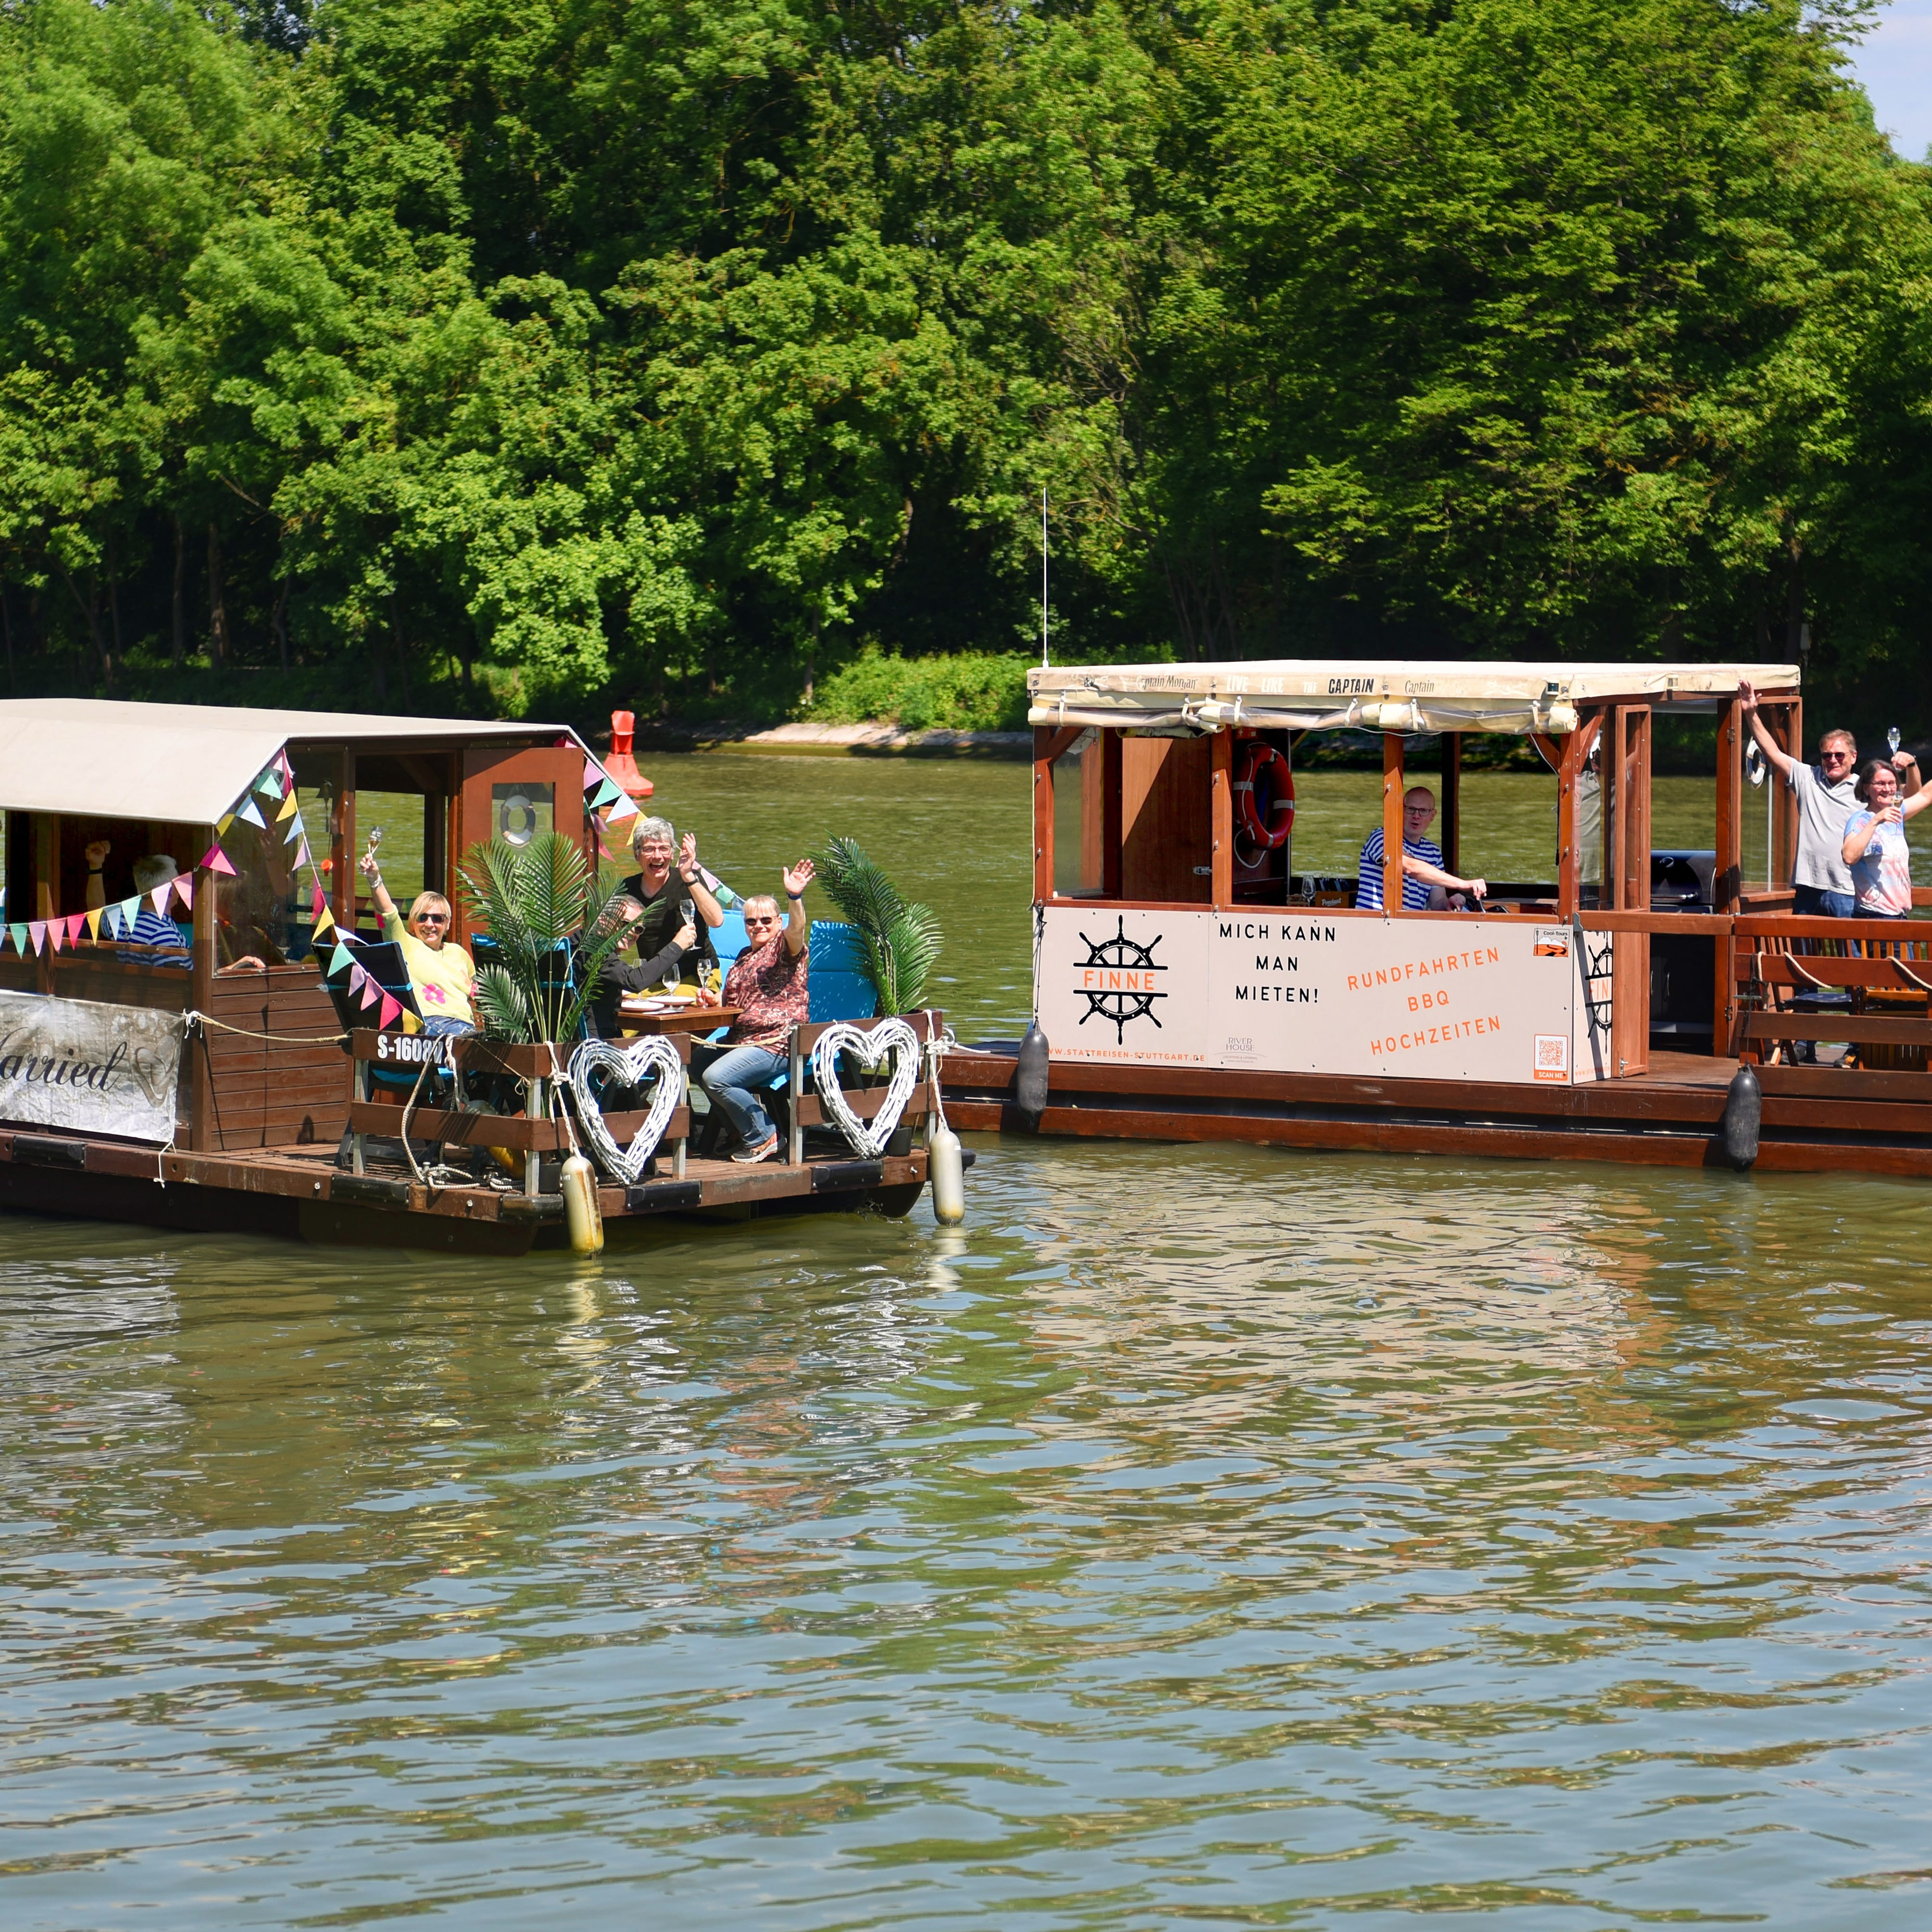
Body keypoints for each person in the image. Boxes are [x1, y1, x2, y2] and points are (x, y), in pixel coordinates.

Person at [1738, 682, 1918, 916]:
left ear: (1854, 757)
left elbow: (1911, 795)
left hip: (1846, 889)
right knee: (1801, 952)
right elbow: (1772, 752)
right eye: (1827, 755)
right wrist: (1751, 713)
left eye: (1839, 755)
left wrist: (1912, 766)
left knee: (1848, 953)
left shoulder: (1865, 789)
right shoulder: (1807, 777)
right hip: (1808, 886)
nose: (1832, 760)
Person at [691, 860, 815, 1163]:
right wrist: (712, 1001)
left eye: (766, 920)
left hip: (776, 1042)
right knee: (691, 1062)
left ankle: (763, 1136)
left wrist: (795, 898)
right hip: (742, 1039)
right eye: (751, 922)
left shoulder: (785, 950)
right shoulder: (745, 956)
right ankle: (737, 1128)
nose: (759, 926)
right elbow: (731, 1002)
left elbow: (798, 929)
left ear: (778, 923)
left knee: (716, 1077)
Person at [357, 852, 477, 1036]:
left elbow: (480, 993)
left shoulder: (458, 953)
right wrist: (375, 880)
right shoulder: (407, 944)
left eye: (438, 918)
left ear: (447, 924)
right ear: (413, 923)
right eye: (423, 918)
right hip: (433, 1025)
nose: (430, 924)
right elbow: (388, 913)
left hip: (467, 1027)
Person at [620, 816, 724, 983]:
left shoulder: (689, 880)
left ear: (672, 853)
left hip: (698, 977)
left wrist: (688, 875)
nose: (657, 856)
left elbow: (717, 920)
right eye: (649, 849)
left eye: (664, 848)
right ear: (636, 854)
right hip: (651, 979)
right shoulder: (627, 889)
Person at [581, 895, 699, 1037]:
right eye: (625, 924)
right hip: (592, 1045)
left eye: (637, 929)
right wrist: (677, 946)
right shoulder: (592, 950)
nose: (632, 932)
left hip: (604, 1037)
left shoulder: (583, 944)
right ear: (604, 919)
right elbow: (635, 981)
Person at [1356, 788, 1487, 912]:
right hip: (1374, 924)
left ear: (1433, 815)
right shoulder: (1381, 837)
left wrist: (1450, 903)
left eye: (1424, 811)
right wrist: (1463, 884)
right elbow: (1410, 866)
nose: (1417, 816)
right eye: (1411, 809)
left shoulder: (1433, 852)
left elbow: (1438, 902)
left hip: (1410, 927)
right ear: (1400, 810)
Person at [1841, 759, 1932, 920]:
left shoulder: (1896, 813)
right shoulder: (1860, 820)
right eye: (1880, 784)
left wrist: (1912, 763)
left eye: (1892, 783)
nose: (1887, 789)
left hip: (1899, 916)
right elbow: (1849, 856)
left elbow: (1926, 794)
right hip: (1875, 917)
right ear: (1866, 788)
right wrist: (1876, 821)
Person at [114, 854, 193, 970]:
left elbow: (96, 908)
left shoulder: (121, 920)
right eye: (177, 883)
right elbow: (175, 982)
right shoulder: (164, 933)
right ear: (170, 890)